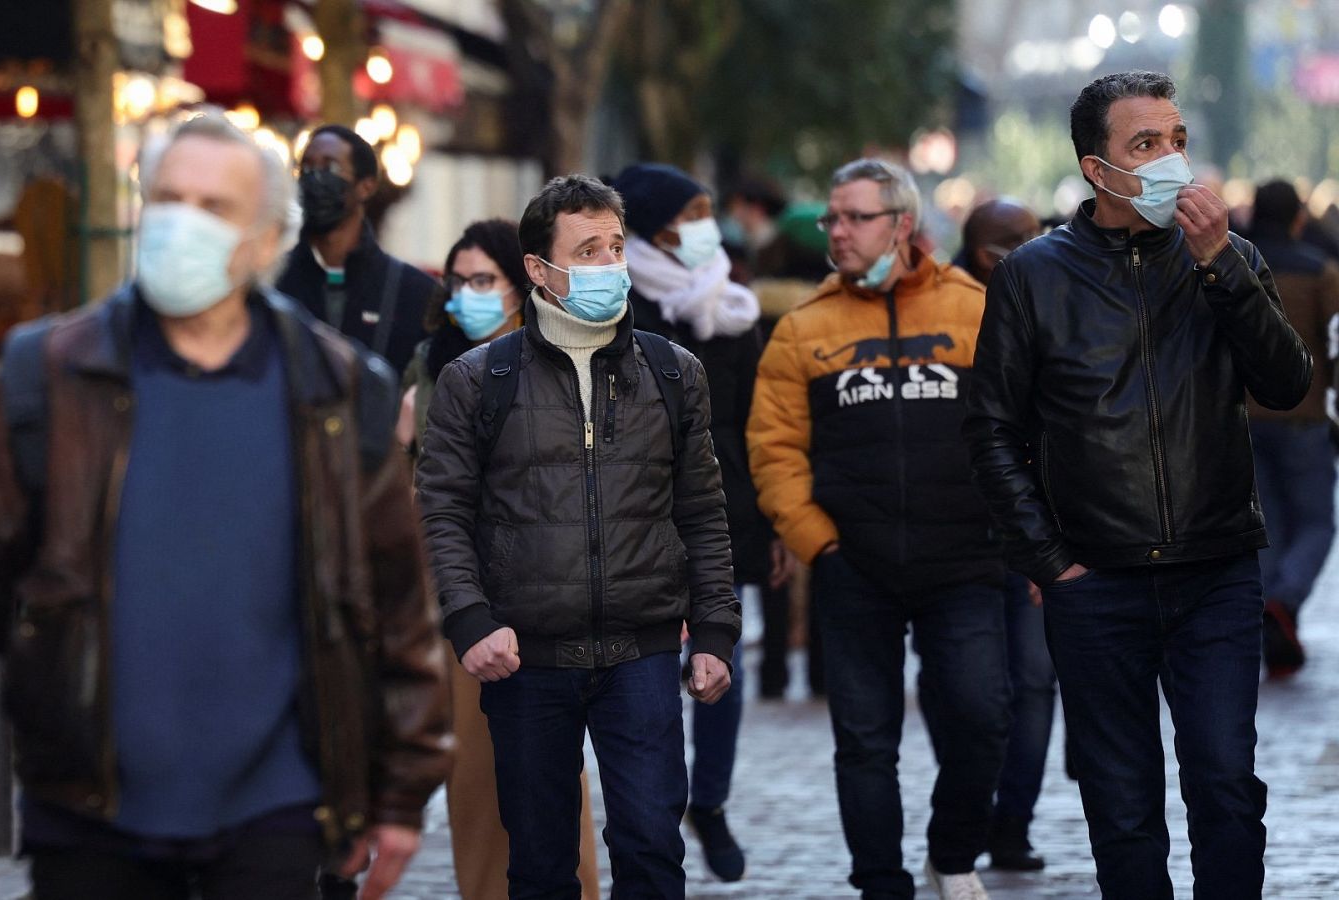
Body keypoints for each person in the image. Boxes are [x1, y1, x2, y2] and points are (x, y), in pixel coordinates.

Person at [0, 110, 450, 900]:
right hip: (88, 802)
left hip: (275, 806)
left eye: (213, 207)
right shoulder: (48, 374)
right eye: (166, 199)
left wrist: (400, 789)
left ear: (265, 239)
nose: (181, 223)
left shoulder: (336, 391)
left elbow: (397, 603)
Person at [964, 71, 1312, 900]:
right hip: (1097, 582)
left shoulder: (1230, 259)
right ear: (1098, 168)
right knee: (1121, 808)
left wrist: (1221, 266)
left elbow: (1287, 383)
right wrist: (1051, 562)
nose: (1170, 160)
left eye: (1177, 140)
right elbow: (991, 429)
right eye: (1146, 144)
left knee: (1227, 787)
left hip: (1216, 572)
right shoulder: (1034, 275)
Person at [416, 174, 740, 899]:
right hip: (526, 657)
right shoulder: (479, 379)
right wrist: (469, 619)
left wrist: (716, 630)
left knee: (653, 851)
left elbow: (701, 509)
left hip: (641, 652)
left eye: (615, 247)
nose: (608, 264)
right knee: (539, 863)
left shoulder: (671, 370)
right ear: (539, 269)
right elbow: (443, 511)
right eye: (587, 250)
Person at [748, 157, 1010, 900]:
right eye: (832, 217)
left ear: (902, 225)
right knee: (865, 742)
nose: (837, 231)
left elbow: (1022, 423)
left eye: (856, 217)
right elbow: (774, 448)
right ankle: (881, 884)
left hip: (965, 561)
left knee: (983, 717)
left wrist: (1014, 528)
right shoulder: (804, 328)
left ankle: (952, 853)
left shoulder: (976, 309)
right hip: (854, 566)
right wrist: (818, 543)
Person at [397, 219, 604, 900]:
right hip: (461, 595)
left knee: (553, 771)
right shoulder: (429, 368)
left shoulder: (559, 356)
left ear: (522, 283)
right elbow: (415, 493)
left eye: (484, 279)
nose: (469, 294)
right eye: (459, 281)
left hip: (547, 590)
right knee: (477, 775)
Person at [615, 161, 787, 883]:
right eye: (692, 214)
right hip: (642, 515)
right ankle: (659, 809)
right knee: (651, 673)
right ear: (657, 228)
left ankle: (709, 800)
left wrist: (769, 520)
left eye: (708, 213)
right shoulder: (623, 305)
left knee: (723, 665)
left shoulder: (733, 306)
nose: (705, 228)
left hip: (725, 510)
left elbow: (755, 424)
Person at [954, 198, 1056, 872]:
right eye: (1020, 239)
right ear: (985, 254)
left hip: (1034, 529)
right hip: (964, 533)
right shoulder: (951, 310)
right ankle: (969, 818)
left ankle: (1012, 823)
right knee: (975, 692)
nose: (1037, 244)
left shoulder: (1051, 294)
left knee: (1036, 683)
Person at [1245, 178, 1339, 678]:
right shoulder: (1319, 272)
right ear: (1299, 218)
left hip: (1243, 418)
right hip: (1304, 416)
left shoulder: (1231, 266)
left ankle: (1274, 621)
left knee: (1270, 527)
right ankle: (1285, 600)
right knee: (1318, 523)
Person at [277, 124, 435, 375]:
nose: (315, 178)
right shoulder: (273, 283)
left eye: (330, 168)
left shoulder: (414, 293)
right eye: (306, 168)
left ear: (366, 186)